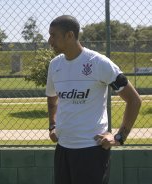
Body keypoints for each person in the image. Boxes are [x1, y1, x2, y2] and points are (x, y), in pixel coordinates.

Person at [46, 15, 142, 184]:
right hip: (63, 149)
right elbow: (52, 96)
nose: (49, 40)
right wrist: (52, 125)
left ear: (69, 35)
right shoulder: (55, 65)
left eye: (54, 35)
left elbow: (134, 100)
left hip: (91, 151)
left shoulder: (99, 63)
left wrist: (120, 137)